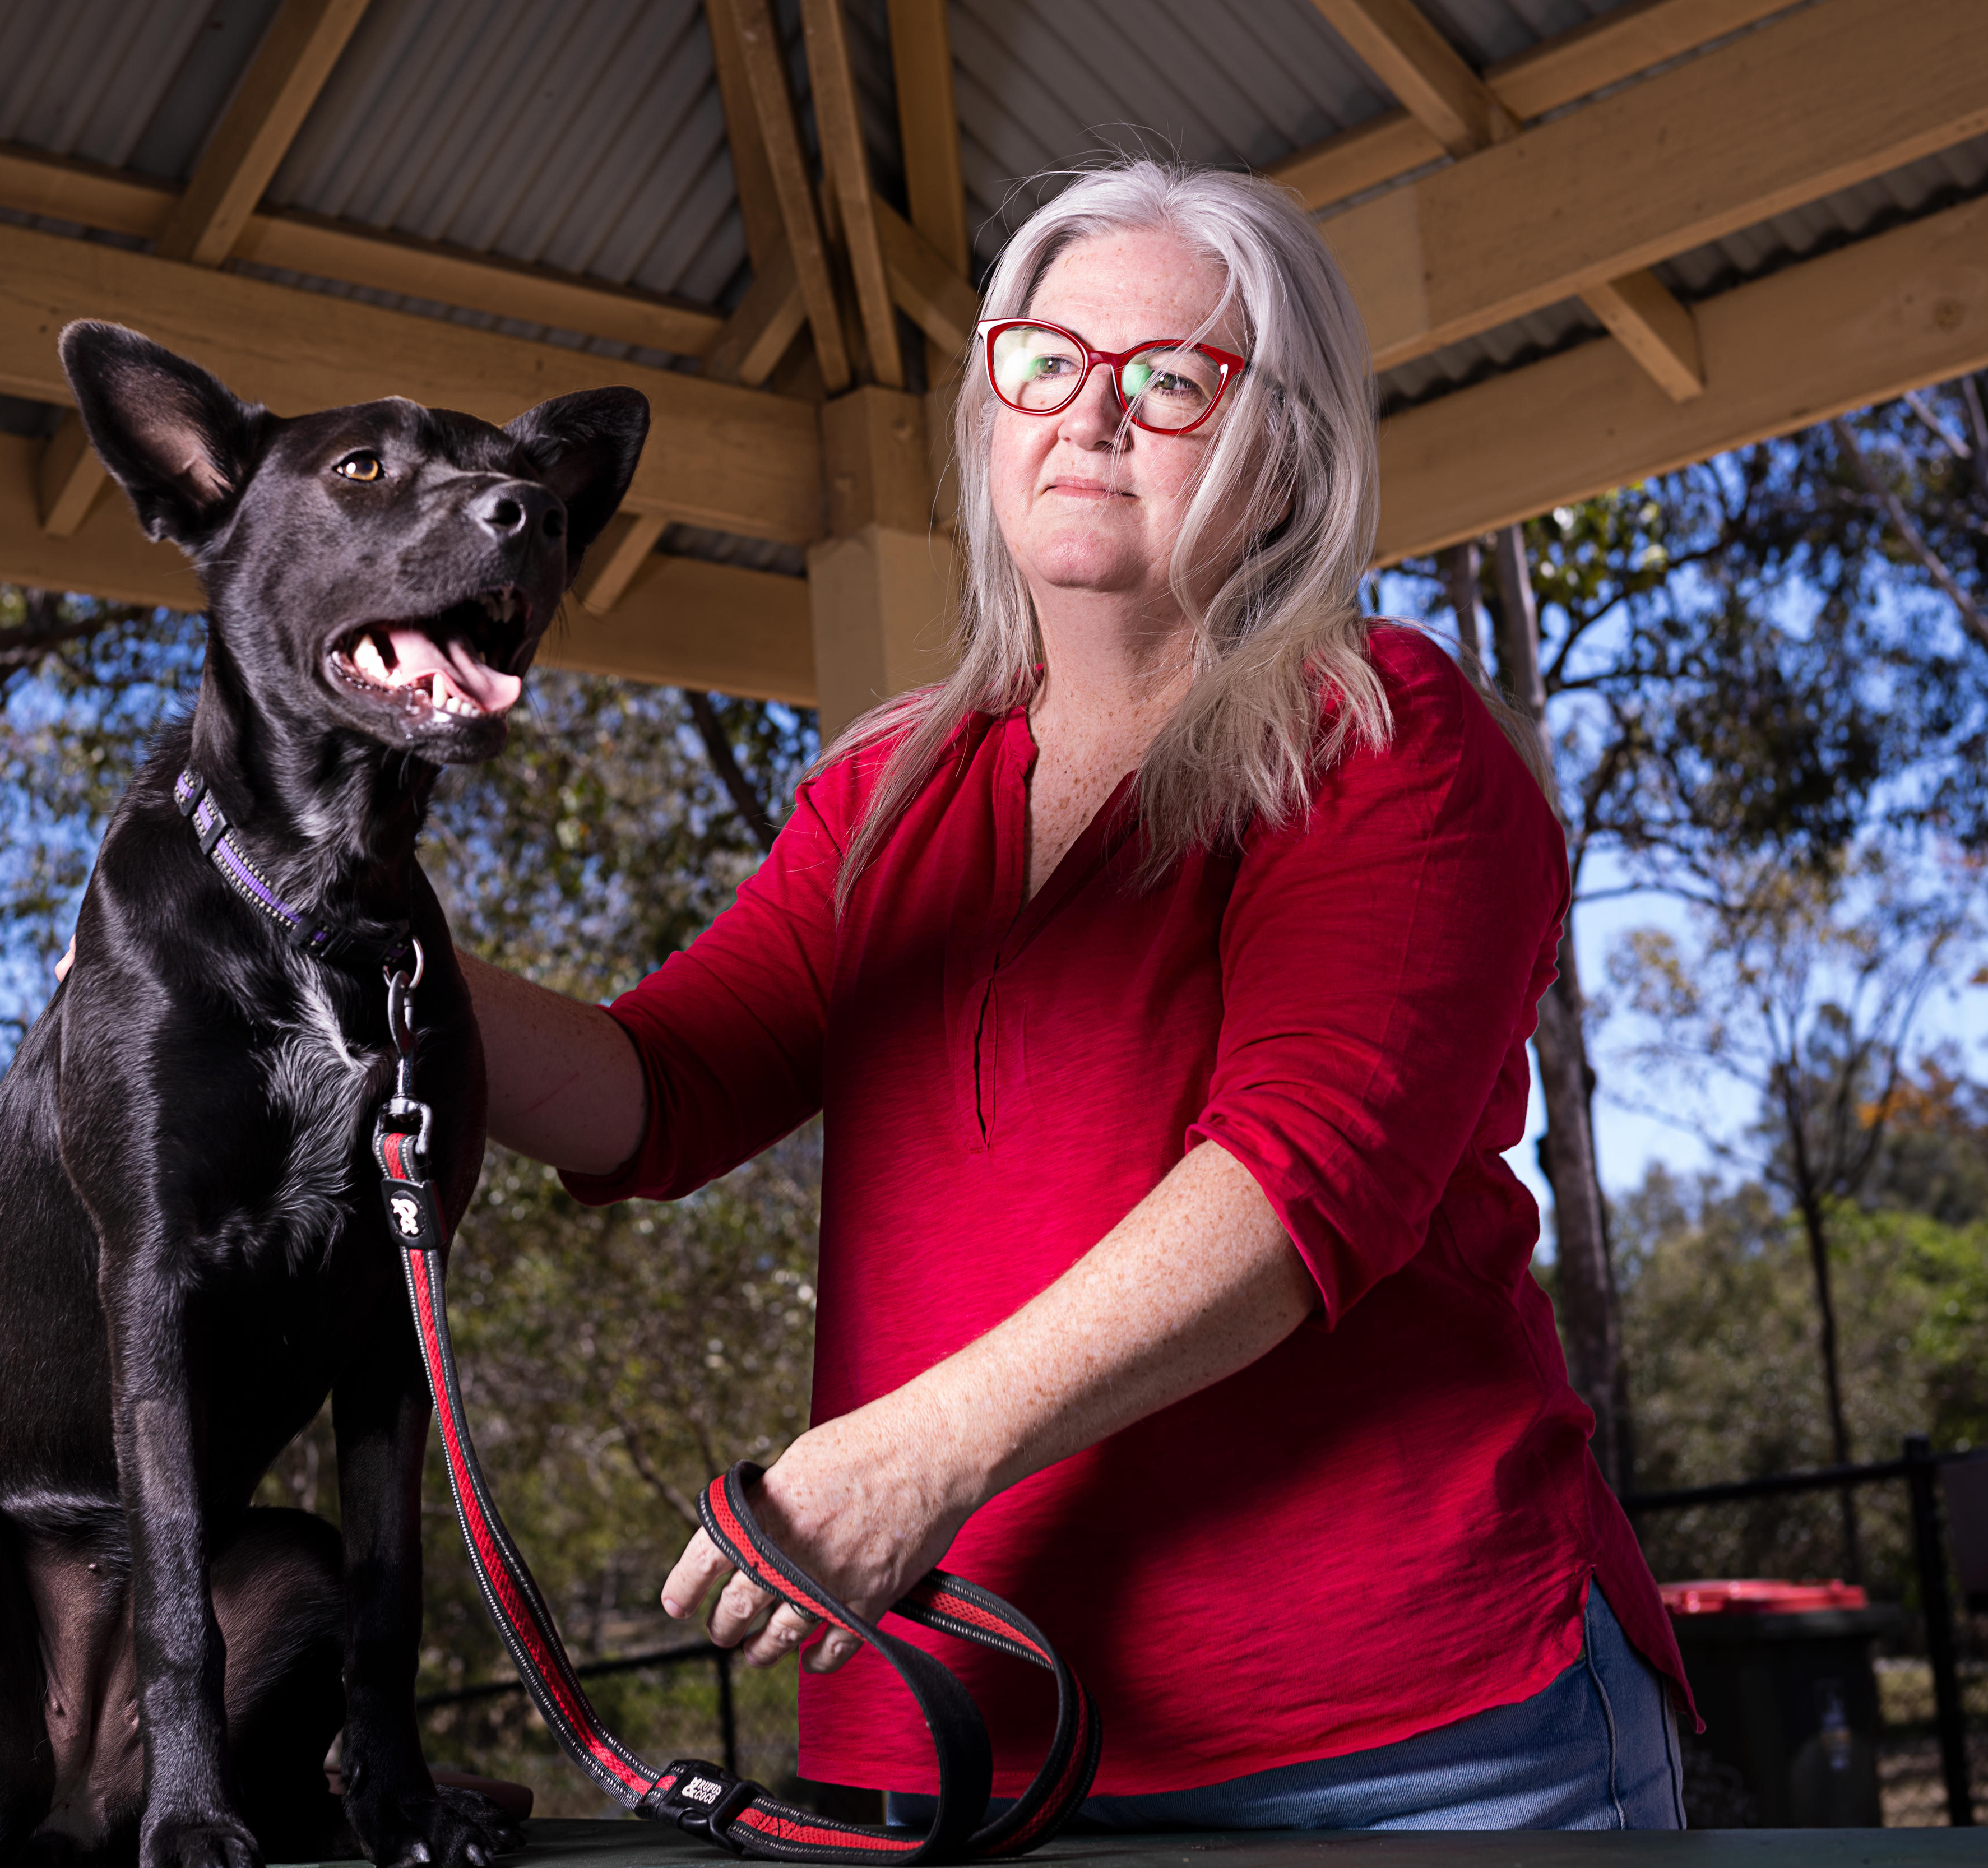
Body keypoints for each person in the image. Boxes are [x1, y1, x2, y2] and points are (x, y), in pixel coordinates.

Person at [458, 161, 1689, 1831]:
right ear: (988, 409)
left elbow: (1296, 1181)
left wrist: (909, 1461)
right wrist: (363, 965)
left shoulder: (1382, 735)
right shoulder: (886, 790)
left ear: (1290, 455)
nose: (1092, 415)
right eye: (1045, 361)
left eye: (1174, 381)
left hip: (1402, 1750)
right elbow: (657, 1089)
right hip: (955, 1745)